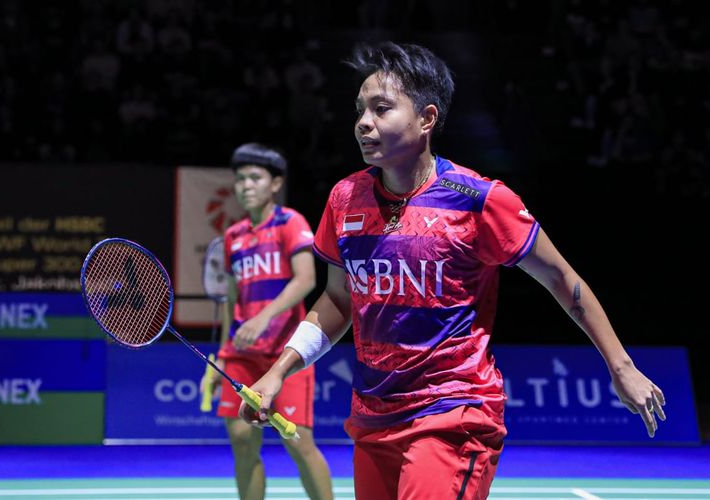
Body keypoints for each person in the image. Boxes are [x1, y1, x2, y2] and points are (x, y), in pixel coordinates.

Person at [239, 42, 667, 499]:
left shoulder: (479, 200)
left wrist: (621, 366)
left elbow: (564, 280)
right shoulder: (345, 199)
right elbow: (340, 299)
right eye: (360, 109)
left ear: (426, 119)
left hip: (453, 414)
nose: (364, 122)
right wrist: (278, 372)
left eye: (382, 109)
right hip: (373, 417)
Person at [202, 143, 333, 500]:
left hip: (285, 354)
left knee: (298, 441)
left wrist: (263, 317)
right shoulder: (233, 237)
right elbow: (232, 299)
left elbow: (305, 279)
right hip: (242, 355)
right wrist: (222, 355)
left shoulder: (291, 223)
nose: (245, 186)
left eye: (255, 178)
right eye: (240, 179)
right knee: (242, 441)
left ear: (275, 184)